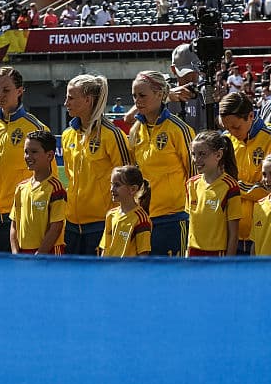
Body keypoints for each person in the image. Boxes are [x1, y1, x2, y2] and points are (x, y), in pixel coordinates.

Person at [61, 74, 133, 254]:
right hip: (71, 226)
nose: (65, 103)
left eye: (71, 98)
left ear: (87, 100)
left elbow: (128, 182)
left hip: (101, 225)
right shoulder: (67, 135)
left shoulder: (112, 135)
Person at [129, 70, 194, 256]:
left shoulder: (179, 129)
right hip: (144, 218)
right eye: (134, 96)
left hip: (174, 218)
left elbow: (194, 175)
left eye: (142, 95)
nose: (137, 101)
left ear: (159, 94)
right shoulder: (135, 131)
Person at [0, 66, 51, 252]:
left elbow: (49, 177)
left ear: (20, 91)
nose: (0, 95)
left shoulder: (35, 128)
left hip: (21, 217)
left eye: (6, 90)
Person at [218, 91, 271, 254]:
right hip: (230, 233)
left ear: (250, 116)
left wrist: (235, 188)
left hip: (264, 231)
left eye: (236, 127)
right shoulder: (226, 140)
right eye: (227, 127)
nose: (232, 132)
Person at [185, 130, 241, 257]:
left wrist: (228, 263)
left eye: (202, 154)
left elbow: (233, 233)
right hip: (193, 252)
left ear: (218, 155)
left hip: (217, 254)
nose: (196, 159)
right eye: (193, 154)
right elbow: (191, 227)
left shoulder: (230, 187)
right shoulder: (191, 184)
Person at [10, 130, 67, 254]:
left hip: (48, 253)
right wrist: (15, 253)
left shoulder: (55, 188)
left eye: (34, 152)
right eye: (26, 152)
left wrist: (40, 254)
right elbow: (14, 225)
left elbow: (56, 227)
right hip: (23, 254)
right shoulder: (21, 188)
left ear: (49, 156)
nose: (28, 156)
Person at [99, 165, 152, 257]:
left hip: (129, 270)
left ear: (133, 189)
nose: (112, 189)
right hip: (110, 270)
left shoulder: (141, 219)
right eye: (111, 184)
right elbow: (105, 248)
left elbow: (143, 255)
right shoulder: (111, 215)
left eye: (117, 185)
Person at [168, 43, 205, 132]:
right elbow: (132, 117)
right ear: (173, 70)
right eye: (186, 74)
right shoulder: (165, 93)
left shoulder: (203, 93)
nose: (191, 79)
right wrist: (165, 97)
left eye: (195, 73)